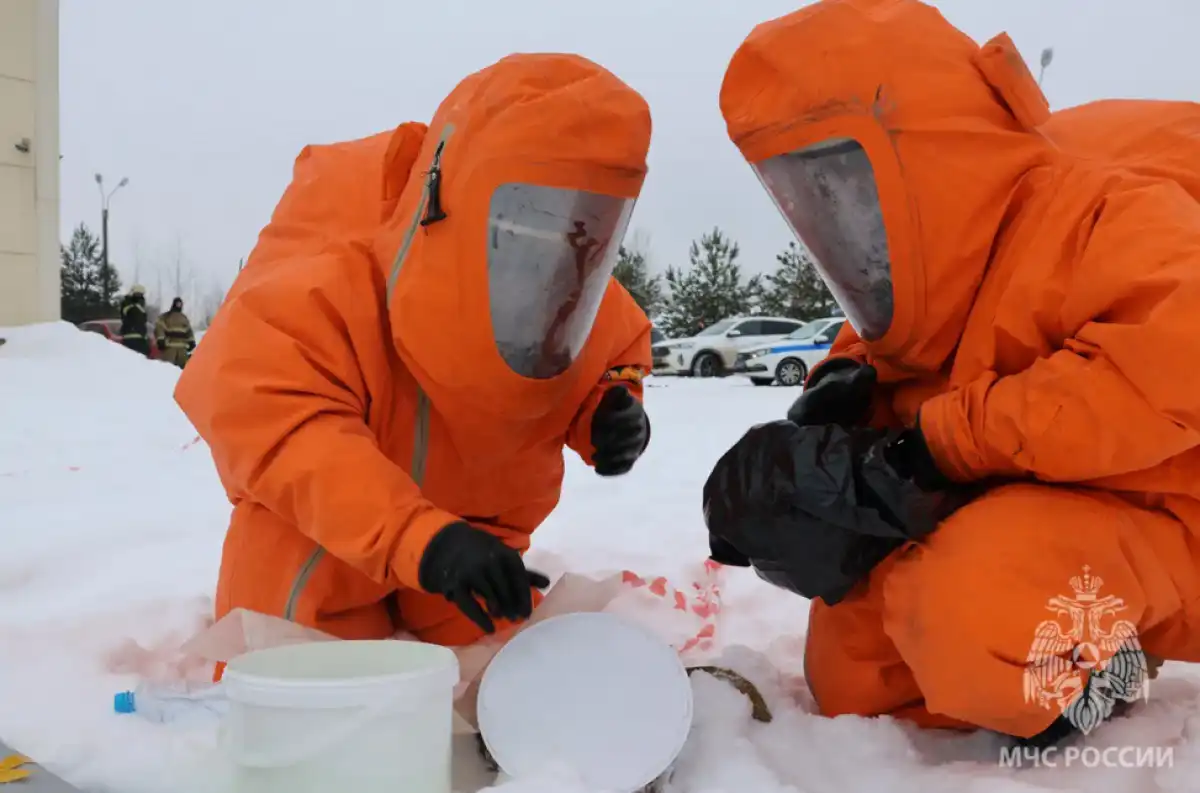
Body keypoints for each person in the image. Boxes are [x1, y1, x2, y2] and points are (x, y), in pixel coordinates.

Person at [704, 0, 1200, 747]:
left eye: (843, 180)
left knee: (968, 607)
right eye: (811, 194)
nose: (836, 217)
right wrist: (834, 412)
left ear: (924, 155)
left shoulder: (1100, 210)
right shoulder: (937, 266)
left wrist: (933, 447)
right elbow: (907, 335)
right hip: (1058, 509)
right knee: (853, 674)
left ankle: (1103, 667)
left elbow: (1171, 355)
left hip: (1177, 511)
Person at [174, 52, 654, 677]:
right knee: (297, 677)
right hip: (332, 540)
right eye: (530, 218)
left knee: (516, 681)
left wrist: (614, 409)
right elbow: (285, 432)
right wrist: (417, 540)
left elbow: (616, 354)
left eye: (578, 224)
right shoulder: (326, 290)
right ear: (448, 201)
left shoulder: (574, 297)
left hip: (478, 545)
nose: (553, 248)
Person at [154, 297, 195, 368]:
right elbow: (189, 332)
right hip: (178, 349)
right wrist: (191, 342)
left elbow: (159, 328)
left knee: (167, 369)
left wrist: (161, 340)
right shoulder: (183, 318)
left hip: (171, 348)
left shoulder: (165, 317)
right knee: (181, 371)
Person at [118, 285, 150, 357]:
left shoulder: (141, 307)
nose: (139, 296)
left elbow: (143, 321)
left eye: (141, 294)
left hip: (141, 338)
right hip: (130, 337)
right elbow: (125, 313)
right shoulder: (127, 303)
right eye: (137, 294)